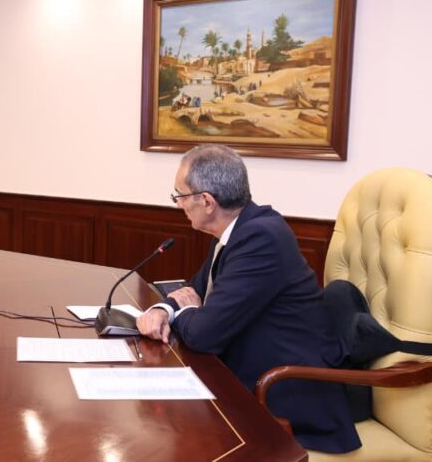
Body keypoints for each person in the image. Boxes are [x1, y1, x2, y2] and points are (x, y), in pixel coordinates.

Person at [135, 144, 359, 453]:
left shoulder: (261, 237)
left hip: (285, 392)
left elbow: (204, 334)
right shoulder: (236, 232)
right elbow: (194, 290)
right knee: (165, 423)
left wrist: (188, 313)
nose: (178, 205)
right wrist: (164, 309)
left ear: (207, 201)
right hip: (246, 373)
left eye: (180, 196)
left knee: (171, 436)